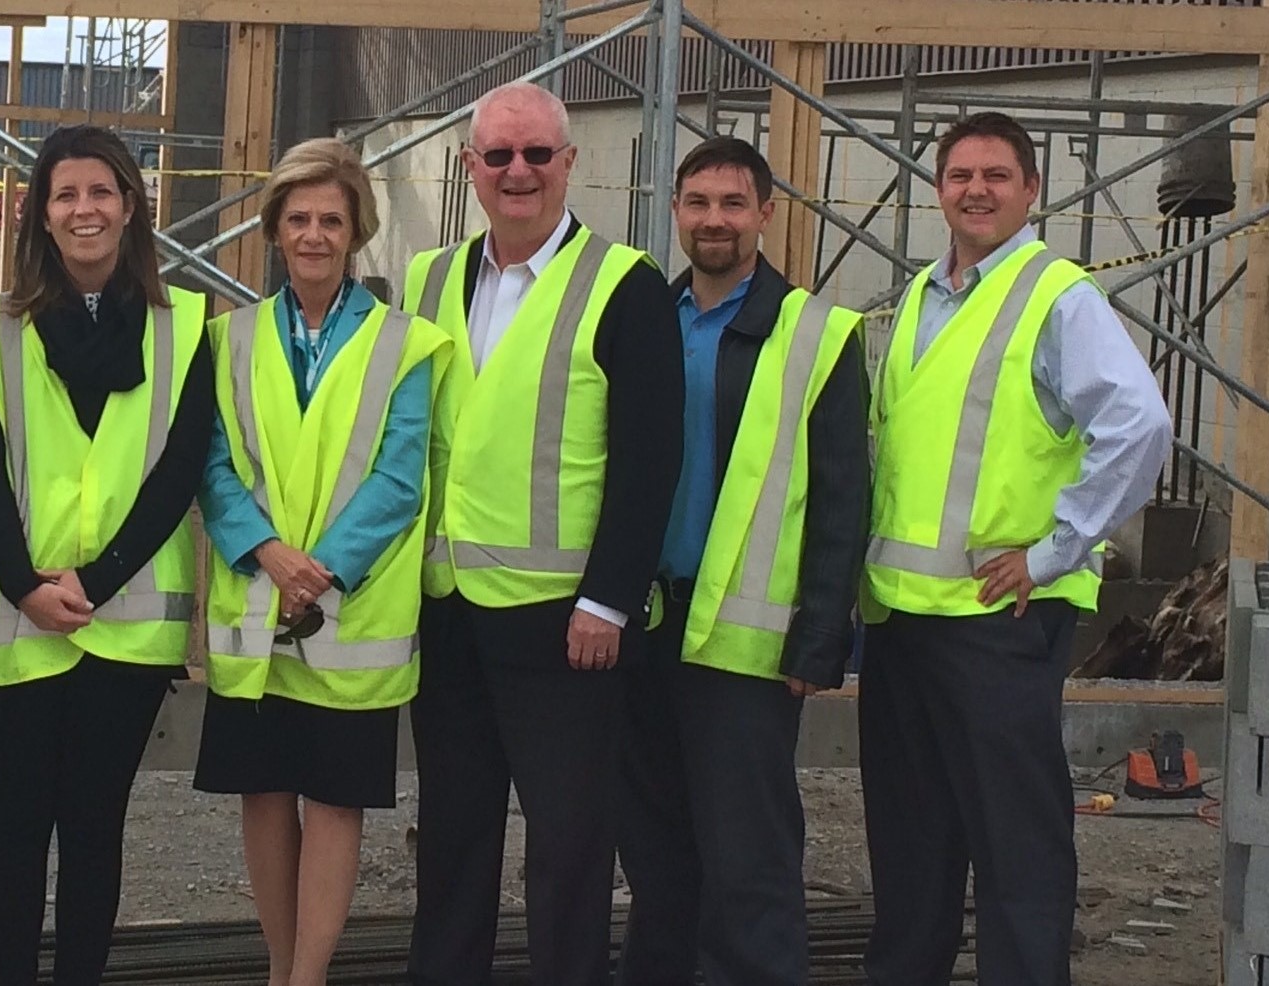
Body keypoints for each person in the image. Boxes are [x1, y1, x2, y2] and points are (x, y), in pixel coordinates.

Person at [859, 111, 1170, 986]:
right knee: (911, 849)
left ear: (1031, 190)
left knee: (1015, 850)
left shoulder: (1054, 294)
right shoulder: (921, 295)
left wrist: (1052, 551)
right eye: (959, 175)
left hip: (999, 618)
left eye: (996, 176)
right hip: (902, 621)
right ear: (937, 190)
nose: (975, 190)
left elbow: (1138, 424)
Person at [397, 81, 685, 985]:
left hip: (565, 625)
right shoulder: (428, 279)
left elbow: (648, 460)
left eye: (534, 155)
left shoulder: (623, 286)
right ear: (468, 169)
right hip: (447, 614)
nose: (515, 171)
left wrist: (607, 598)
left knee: (568, 847)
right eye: (497, 156)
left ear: (569, 163)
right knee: (452, 835)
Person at [0, 125, 214, 986]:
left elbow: (179, 472)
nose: (84, 209)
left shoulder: (185, 329)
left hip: (124, 628)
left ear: (131, 207)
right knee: (16, 833)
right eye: (65, 195)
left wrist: (94, 581)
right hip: (13, 622)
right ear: (40, 216)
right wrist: (25, 585)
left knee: (95, 832)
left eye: (101, 192)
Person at [195, 137, 452, 986]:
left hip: (351, 610)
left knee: (334, 802)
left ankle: (308, 978)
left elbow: (399, 472)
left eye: (331, 220)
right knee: (264, 798)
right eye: (298, 218)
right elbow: (214, 462)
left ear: (356, 231)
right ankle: (278, 969)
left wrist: (322, 568)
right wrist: (267, 552)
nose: (313, 234)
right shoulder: (226, 338)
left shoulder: (403, 343)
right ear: (274, 229)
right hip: (258, 602)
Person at [613, 136, 868, 986]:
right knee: (652, 853)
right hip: (642, 624)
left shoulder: (814, 334)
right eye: (697, 204)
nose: (713, 220)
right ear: (675, 212)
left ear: (765, 213)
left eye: (732, 204)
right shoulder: (644, 314)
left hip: (745, 644)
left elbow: (841, 495)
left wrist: (821, 635)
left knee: (747, 859)